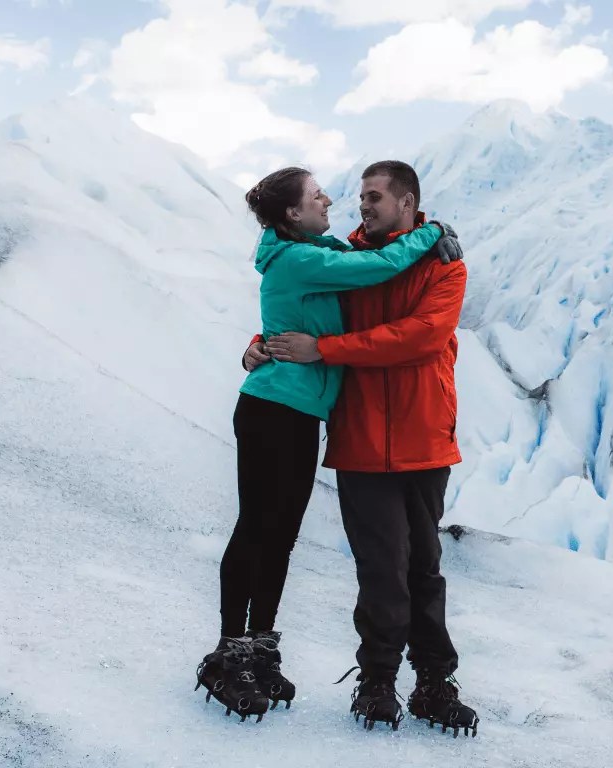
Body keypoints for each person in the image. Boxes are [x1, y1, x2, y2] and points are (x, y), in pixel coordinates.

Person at [195, 166, 461, 723]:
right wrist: (271, 343)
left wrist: (298, 344)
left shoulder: (431, 262)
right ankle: (236, 654)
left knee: (289, 538)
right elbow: (323, 292)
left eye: (372, 196)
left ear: (406, 201)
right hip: (317, 424)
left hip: (392, 433)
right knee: (267, 531)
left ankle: (261, 650)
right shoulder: (342, 256)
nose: (347, 203)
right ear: (294, 212)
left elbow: (412, 334)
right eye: (326, 195)